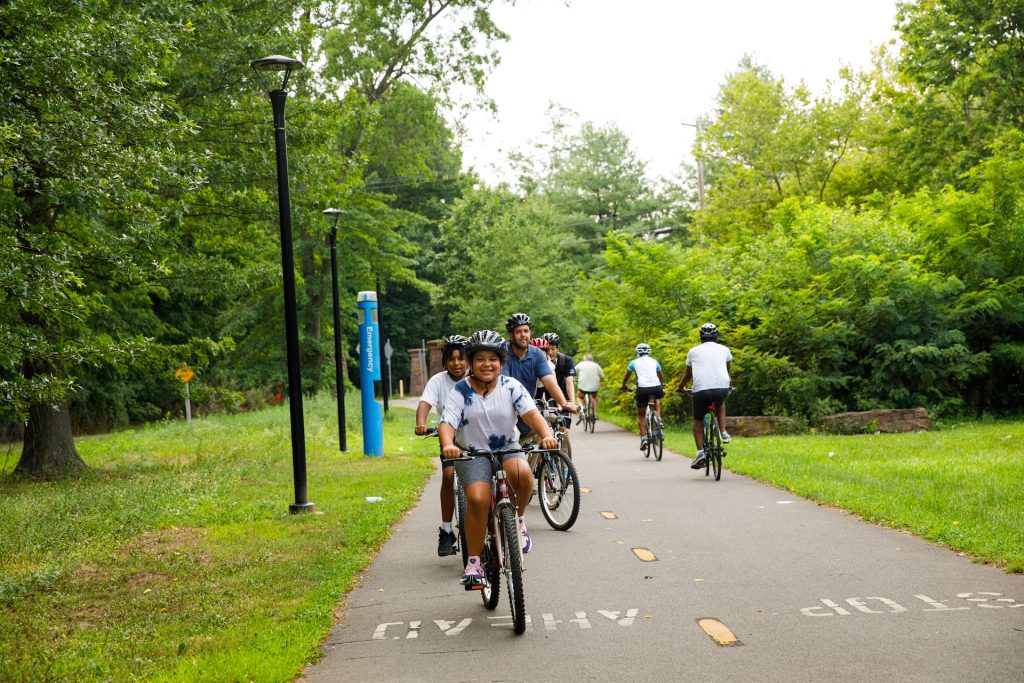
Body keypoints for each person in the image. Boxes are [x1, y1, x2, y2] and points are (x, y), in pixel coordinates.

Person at [439, 330, 558, 588]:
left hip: (507, 448)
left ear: (501, 363)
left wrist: (547, 435)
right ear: (471, 362)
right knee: (478, 500)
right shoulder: (460, 391)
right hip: (472, 453)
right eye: (480, 358)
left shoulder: (511, 387)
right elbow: (447, 422)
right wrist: (448, 444)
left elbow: (531, 415)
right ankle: (473, 563)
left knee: (524, 477)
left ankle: (519, 519)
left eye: (492, 359)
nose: (486, 364)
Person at [415, 335, 469, 557]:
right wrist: (421, 423)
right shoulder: (438, 381)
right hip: (450, 438)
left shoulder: (477, 377)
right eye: (451, 359)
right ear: (445, 361)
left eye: (461, 359)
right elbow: (425, 403)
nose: (456, 363)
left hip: (476, 437)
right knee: (449, 476)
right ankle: (447, 529)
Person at [502, 313, 577, 434]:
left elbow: (549, 381)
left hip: (527, 406)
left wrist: (563, 403)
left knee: (546, 435)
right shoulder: (503, 353)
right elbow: (504, 385)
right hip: (506, 407)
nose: (523, 335)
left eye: (526, 331)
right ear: (510, 334)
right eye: (518, 332)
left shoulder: (537, 354)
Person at [675, 323, 733, 469]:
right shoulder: (724, 349)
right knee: (719, 402)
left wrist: (681, 387)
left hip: (701, 390)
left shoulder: (693, 351)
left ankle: (700, 453)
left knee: (697, 419)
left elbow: (688, 374)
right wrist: (728, 384)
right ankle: (723, 432)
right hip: (722, 386)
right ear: (716, 336)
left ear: (701, 337)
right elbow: (727, 369)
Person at [619, 343, 665, 449]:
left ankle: (643, 438)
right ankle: (658, 419)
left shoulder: (633, 363)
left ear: (637, 352)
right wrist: (661, 383)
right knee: (657, 397)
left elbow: (626, 377)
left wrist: (624, 386)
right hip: (656, 387)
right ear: (649, 352)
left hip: (643, 389)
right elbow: (660, 375)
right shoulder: (654, 361)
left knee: (641, 414)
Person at [574, 353, 605, 420]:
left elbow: (573, 372)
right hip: (594, 386)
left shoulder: (581, 364)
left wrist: (573, 379)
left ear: (584, 359)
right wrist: (601, 380)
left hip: (582, 385)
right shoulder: (596, 365)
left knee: (580, 397)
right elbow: (602, 376)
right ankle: (595, 414)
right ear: (592, 359)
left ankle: (582, 410)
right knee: (594, 397)